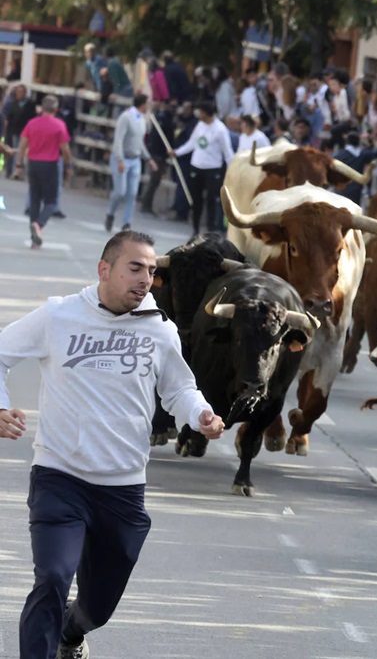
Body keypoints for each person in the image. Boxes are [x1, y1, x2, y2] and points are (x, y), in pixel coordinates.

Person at [0, 231, 226, 659]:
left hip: (122, 487)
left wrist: (200, 415)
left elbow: (179, 389)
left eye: (152, 271)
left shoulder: (160, 329)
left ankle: (72, 632)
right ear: (104, 270)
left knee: (97, 608)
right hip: (59, 477)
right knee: (52, 577)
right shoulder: (59, 316)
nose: (146, 279)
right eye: (135, 268)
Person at [13, 95, 72, 249]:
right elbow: (65, 148)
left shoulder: (32, 123)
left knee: (34, 200)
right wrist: (68, 165)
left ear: (42, 108)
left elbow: (22, 146)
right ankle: (39, 225)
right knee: (51, 202)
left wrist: (19, 165)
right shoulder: (59, 125)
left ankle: (34, 237)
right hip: (50, 164)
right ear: (56, 109)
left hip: (33, 163)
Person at [168, 101, 233, 234]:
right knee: (196, 199)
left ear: (207, 114)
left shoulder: (220, 129)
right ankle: (195, 229)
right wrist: (177, 152)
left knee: (211, 200)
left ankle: (210, 229)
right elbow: (192, 143)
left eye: (201, 112)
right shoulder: (200, 125)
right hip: (196, 166)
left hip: (212, 169)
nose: (199, 114)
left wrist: (232, 168)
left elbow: (227, 151)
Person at [106, 94, 157, 232]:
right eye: (148, 103)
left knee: (132, 193)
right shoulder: (126, 117)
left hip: (135, 159)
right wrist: (120, 159)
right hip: (123, 157)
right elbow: (119, 139)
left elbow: (140, 142)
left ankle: (126, 222)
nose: (149, 106)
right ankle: (110, 213)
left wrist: (148, 158)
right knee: (120, 192)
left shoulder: (142, 119)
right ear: (142, 104)